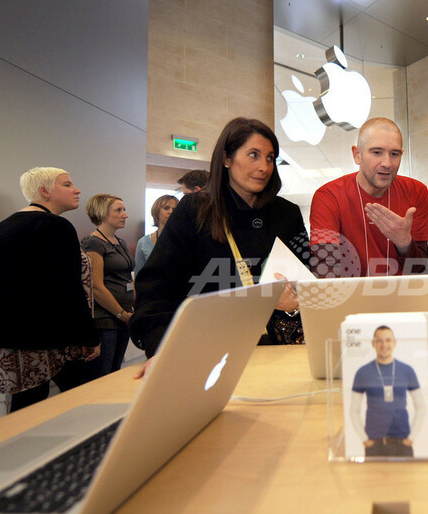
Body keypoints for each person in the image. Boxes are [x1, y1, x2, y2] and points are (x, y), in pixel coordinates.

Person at [131, 117, 308, 366]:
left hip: (279, 352)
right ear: (226, 158)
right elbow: (157, 286)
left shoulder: (286, 214)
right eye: (253, 155)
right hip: (207, 353)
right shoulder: (195, 209)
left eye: (270, 158)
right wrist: (161, 348)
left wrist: (294, 299)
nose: (264, 167)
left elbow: (305, 279)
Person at [0, 167, 100, 412]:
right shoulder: (55, 226)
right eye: (67, 184)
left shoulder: (3, 227)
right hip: (51, 339)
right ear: (44, 191)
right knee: (87, 403)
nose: (77, 190)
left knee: (26, 409)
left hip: (11, 336)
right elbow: (68, 287)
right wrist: (88, 336)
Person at [309, 117, 428, 277]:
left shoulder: (417, 191)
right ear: (357, 155)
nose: (387, 163)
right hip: (350, 291)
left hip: (403, 291)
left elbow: (420, 269)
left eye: (394, 154)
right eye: (377, 152)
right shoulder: (328, 196)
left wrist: (405, 243)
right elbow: (326, 267)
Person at [349, 326, 425, 458]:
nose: (384, 345)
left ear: (394, 343)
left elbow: (421, 406)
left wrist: (411, 438)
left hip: (402, 442)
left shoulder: (407, 370)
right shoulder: (362, 372)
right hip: (374, 444)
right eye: (379, 340)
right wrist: (364, 439)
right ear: (373, 344)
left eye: (388, 340)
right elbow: (353, 410)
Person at [81, 194, 135, 377]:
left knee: (115, 373)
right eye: (118, 210)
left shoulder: (120, 242)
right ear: (102, 213)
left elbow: (128, 279)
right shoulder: (93, 243)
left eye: (124, 210)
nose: (125, 215)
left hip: (124, 316)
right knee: (102, 376)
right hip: (107, 319)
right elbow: (96, 287)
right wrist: (121, 314)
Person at [134, 194, 178, 276]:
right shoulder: (143, 242)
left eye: (174, 209)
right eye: (166, 208)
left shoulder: (183, 241)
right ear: (156, 212)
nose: (171, 212)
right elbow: (138, 276)